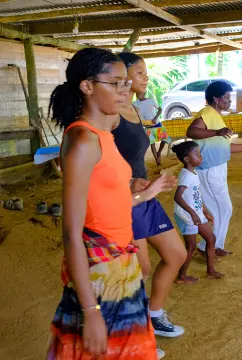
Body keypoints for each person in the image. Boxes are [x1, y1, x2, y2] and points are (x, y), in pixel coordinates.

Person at [47, 48, 175, 359]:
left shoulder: (103, 135)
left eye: (125, 82)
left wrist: (147, 193)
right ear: (87, 86)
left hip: (121, 261)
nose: (125, 89)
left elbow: (110, 199)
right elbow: (72, 232)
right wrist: (90, 310)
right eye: (115, 83)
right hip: (100, 271)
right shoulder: (82, 140)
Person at [113, 52, 187, 338]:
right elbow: (101, 159)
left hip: (145, 195)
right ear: (123, 75)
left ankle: (153, 314)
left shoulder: (134, 109)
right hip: (125, 199)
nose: (146, 77)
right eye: (140, 72)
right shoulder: (112, 111)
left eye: (145, 72)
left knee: (177, 254)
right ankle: (132, 332)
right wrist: (128, 181)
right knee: (139, 269)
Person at [186, 81, 242, 257]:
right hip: (210, 170)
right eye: (226, 97)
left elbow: (225, 147)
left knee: (220, 209)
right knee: (223, 209)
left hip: (217, 169)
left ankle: (211, 245)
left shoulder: (216, 117)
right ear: (216, 98)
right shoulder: (207, 113)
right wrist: (216, 132)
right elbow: (192, 132)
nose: (229, 101)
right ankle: (208, 246)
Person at [172, 141, 223, 284]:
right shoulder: (186, 175)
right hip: (187, 216)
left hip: (196, 213)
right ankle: (181, 276)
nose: (200, 157)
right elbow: (178, 197)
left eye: (200, 154)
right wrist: (193, 214)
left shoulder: (193, 173)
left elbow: (196, 195)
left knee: (211, 239)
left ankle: (210, 271)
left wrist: (204, 211)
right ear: (187, 159)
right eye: (196, 154)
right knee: (191, 246)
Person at [133, 91, 172, 166]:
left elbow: (160, 109)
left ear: (144, 93)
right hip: (147, 126)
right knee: (152, 143)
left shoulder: (151, 101)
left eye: (139, 93)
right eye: (136, 94)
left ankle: (159, 152)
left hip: (156, 123)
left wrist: (155, 118)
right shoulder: (135, 103)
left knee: (164, 139)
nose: (137, 95)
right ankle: (157, 160)